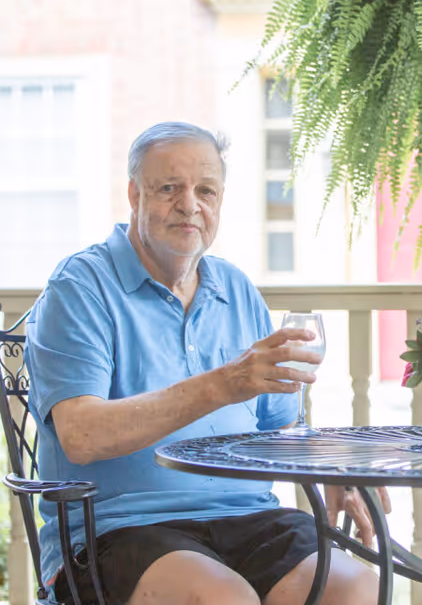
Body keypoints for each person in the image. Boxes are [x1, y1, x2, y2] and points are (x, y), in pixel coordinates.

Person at [26, 122, 386, 605]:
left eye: (206, 190)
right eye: (169, 188)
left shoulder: (236, 290)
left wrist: (331, 467)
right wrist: (222, 384)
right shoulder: (81, 288)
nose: (190, 204)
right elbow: (82, 435)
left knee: (356, 586)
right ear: (134, 195)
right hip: (119, 527)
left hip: (246, 517)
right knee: (222, 597)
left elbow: (283, 428)